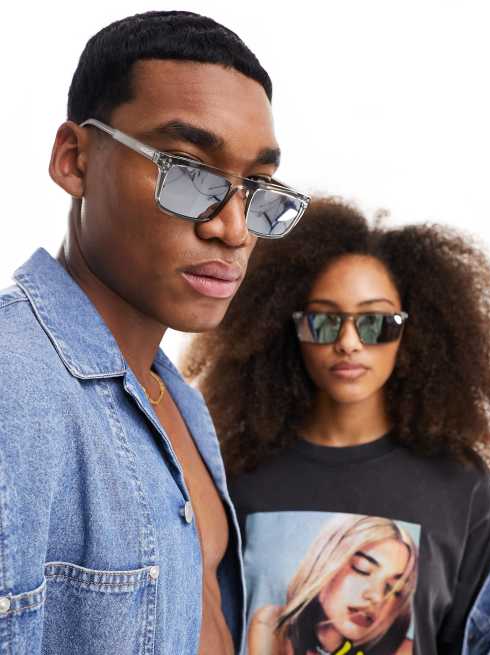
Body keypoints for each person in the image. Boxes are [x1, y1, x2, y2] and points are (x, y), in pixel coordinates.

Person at [0, 11, 309, 655]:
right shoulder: (12, 391)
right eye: (189, 171)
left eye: (256, 188)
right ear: (75, 160)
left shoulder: (180, 400)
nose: (233, 229)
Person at [183, 197, 490, 654]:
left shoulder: (459, 484)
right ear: (285, 328)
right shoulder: (235, 472)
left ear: (414, 332)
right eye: (324, 322)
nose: (349, 343)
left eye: (375, 324)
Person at [248, 514, 418, 655]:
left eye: (395, 589)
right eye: (362, 569)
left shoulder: (406, 651)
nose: (377, 596)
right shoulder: (272, 625)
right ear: (325, 562)